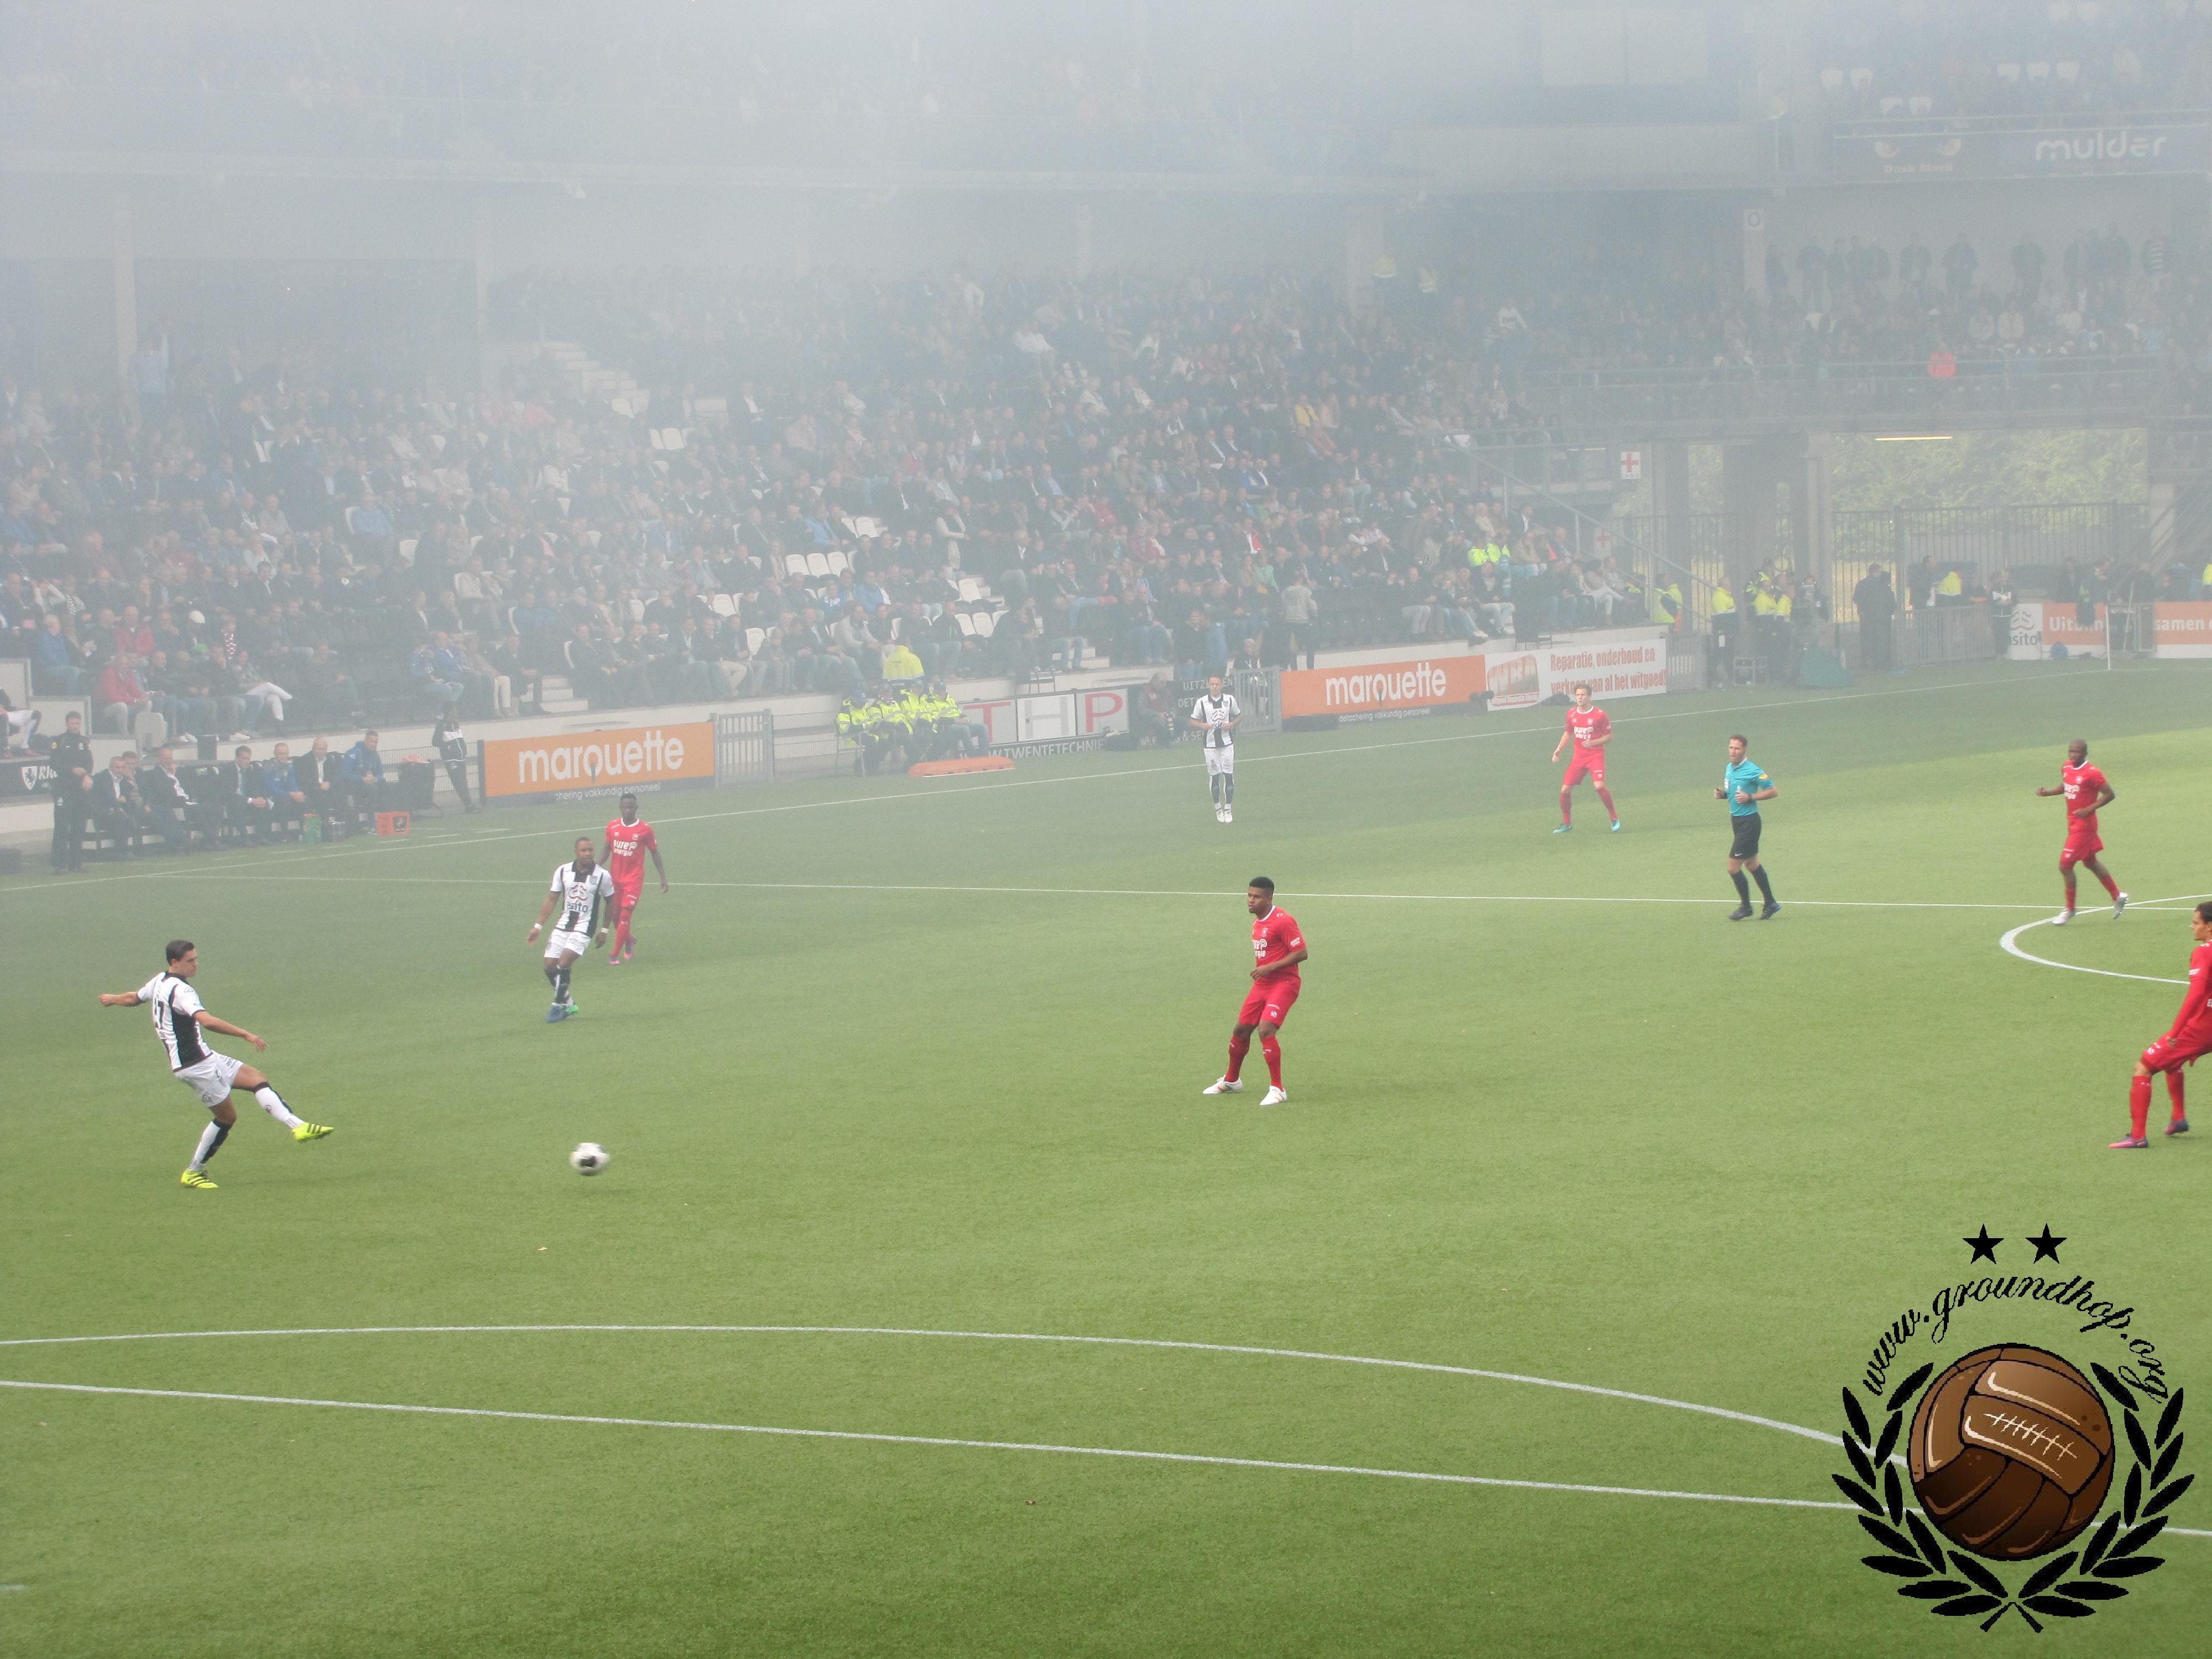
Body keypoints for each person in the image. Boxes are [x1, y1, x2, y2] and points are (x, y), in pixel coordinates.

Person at [96, 938, 333, 1190]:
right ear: (174, 962)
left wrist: (113, 999)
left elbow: (135, 998)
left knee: (256, 1078)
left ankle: (298, 1126)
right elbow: (207, 1021)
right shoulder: (182, 991)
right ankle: (194, 1172)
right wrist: (245, 1034)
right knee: (227, 1117)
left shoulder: (160, 981)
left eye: (196, 958)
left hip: (204, 1056)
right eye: (190, 961)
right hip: (195, 1064)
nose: (196, 964)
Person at [2109, 902, 2212, 1149]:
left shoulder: (2203, 953)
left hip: (2202, 1029)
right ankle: (2178, 1118)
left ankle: (2137, 1136)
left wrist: (2176, 1032)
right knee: (2172, 1062)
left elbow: (2197, 994)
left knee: (2143, 1068)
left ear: (2210, 926)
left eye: (2196, 923)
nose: (2192, 927)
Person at [1201, 876, 1307, 1108]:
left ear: (1269, 898)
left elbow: (1302, 953)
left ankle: (1278, 1089)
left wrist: (1270, 967)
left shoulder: (1283, 921)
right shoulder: (1258, 922)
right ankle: (1232, 1081)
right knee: (1241, 1030)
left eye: (1257, 897)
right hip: (1262, 985)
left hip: (1285, 983)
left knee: (1266, 1029)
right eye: (1249, 895)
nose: (1251, 900)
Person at [2035, 739, 2126, 925]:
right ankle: (2118, 896)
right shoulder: (2067, 767)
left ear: (2085, 753)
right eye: (2071, 751)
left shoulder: (2092, 773)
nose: (2073, 755)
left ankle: (2070, 909)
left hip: (2085, 826)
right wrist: (2049, 793)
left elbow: (2110, 794)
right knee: (2090, 862)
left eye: (2077, 752)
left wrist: (2089, 809)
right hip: (2073, 823)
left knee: (2065, 865)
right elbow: (2066, 786)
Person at [527, 837, 614, 1023]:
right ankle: (569, 1003)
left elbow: (611, 902)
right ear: (576, 852)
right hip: (563, 925)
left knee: (564, 963)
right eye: (584, 850)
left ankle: (558, 1006)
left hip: (585, 927)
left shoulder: (602, 876)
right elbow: (552, 899)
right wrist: (538, 926)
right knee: (549, 965)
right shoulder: (563, 871)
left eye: (590, 850)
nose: (588, 854)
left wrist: (604, 930)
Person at [1715, 734, 1780, 920]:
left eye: (1736, 748)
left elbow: (1773, 791)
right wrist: (1724, 795)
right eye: (1731, 748)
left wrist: (1751, 797)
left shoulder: (1753, 770)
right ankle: (1771, 903)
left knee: (1733, 868)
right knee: (1752, 864)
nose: (1733, 752)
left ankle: (1746, 907)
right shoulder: (1729, 768)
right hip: (1737, 821)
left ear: (1744, 750)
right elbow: (1735, 793)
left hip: (1749, 823)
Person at [601, 794, 667, 966]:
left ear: (637, 808)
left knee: (625, 914)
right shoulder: (612, 826)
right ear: (620, 808)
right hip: (615, 879)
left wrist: (662, 877)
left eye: (632, 807)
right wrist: (595, 867)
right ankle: (629, 940)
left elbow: (655, 852)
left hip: (633, 880)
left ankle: (614, 955)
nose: (629, 810)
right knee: (615, 917)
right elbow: (607, 849)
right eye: (626, 807)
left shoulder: (645, 830)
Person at [1550, 682, 1618, 833]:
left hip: (1595, 756)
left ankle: (1614, 818)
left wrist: (1594, 742)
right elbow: (1568, 733)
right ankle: (1566, 823)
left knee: (1599, 787)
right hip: (1579, 758)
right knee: (1565, 790)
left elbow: (1609, 736)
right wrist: (1559, 749)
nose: (1580, 698)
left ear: (1589, 697)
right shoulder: (1572, 714)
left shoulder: (1600, 715)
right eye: (1578, 695)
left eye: (1583, 695)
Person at [48, 710, 95, 872]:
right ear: (67, 724)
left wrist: (87, 775)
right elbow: (54, 763)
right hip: (63, 788)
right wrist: (72, 770)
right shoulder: (59, 741)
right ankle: (59, 865)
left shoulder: (84, 741)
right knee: (62, 826)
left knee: (79, 826)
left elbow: (89, 761)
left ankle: (76, 864)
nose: (75, 726)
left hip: (80, 789)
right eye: (72, 723)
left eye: (77, 723)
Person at [1190, 672, 1241, 823]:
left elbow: (1239, 715)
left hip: (1227, 744)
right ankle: (1218, 807)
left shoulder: (1229, 700)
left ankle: (1228, 808)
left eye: (1217, 684)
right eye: (1212, 684)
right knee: (1214, 776)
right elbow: (1193, 720)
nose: (1214, 687)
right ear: (1208, 686)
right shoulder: (1202, 702)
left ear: (1222, 685)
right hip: (1210, 745)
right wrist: (1202, 725)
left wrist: (1232, 724)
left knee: (1228, 775)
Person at [1852, 565, 1897, 672]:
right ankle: (1881, 663)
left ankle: (1867, 663)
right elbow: (1890, 600)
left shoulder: (1862, 584)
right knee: (1881, 640)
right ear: (1877, 572)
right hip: (1882, 617)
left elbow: (1856, 599)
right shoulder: (1883, 585)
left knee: (1867, 640)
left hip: (1866, 617)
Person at [432, 711, 477, 813]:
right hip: (451, 759)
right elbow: (435, 742)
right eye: (454, 710)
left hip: (461, 758)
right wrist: (448, 747)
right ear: (449, 712)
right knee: (459, 783)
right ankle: (469, 805)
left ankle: (469, 805)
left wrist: (463, 750)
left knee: (463, 782)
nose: (457, 712)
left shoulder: (455, 724)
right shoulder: (441, 726)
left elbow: (459, 739)